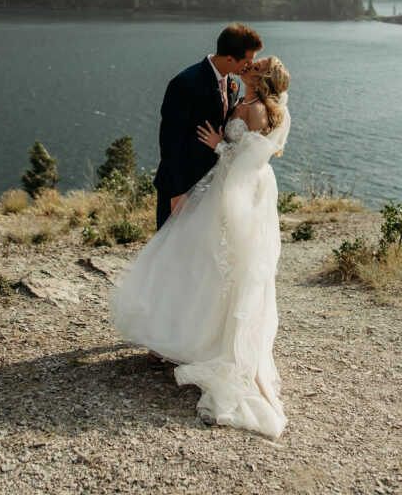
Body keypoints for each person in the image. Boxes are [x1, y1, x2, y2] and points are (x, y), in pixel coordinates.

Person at [110, 55, 291, 439]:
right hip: (219, 189)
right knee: (198, 261)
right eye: (249, 60)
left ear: (261, 77)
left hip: (236, 194)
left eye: (255, 65)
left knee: (220, 264)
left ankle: (208, 344)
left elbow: (251, 160)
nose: (249, 65)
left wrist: (218, 146)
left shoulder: (257, 110)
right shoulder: (241, 96)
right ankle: (180, 336)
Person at [154, 23, 263, 231]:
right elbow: (169, 142)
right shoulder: (185, 83)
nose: (251, 65)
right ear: (230, 58)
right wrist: (177, 192)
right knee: (171, 253)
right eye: (248, 61)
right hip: (182, 185)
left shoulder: (233, 82)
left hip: (210, 188)